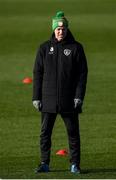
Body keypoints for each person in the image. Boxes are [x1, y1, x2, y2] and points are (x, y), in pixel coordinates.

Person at [32, 11, 88, 174]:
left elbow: (82, 74)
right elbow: (37, 73)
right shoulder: (44, 48)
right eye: (58, 28)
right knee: (45, 133)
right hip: (47, 99)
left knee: (73, 133)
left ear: (67, 29)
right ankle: (44, 163)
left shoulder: (76, 47)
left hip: (69, 99)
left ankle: (75, 164)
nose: (60, 31)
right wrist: (36, 97)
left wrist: (79, 96)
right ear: (53, 29)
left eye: (63, 28)